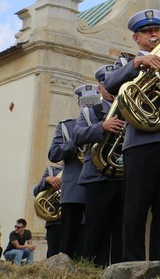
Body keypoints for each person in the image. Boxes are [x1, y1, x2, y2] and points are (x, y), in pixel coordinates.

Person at [104, 9, 160, 266]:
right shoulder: (127, 63)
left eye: (156, 30)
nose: (154, 35)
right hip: (141, 142)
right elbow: (110, 85)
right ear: (136, 38)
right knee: (135, 208)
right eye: (147, 32)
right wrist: (138, 64)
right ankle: (131, 263)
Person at [73, 64, 125, 267]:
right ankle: (92, 270)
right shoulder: (90, 111)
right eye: (107, 85)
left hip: (124, 175)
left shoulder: (128, 106)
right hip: (97, 177)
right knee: (95, 229)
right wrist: (101, 126)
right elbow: (77, 135)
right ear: (100, 88)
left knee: (122, 229)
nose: (112, 89)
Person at [48, 87, 91, 259]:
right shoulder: (66, 126)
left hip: (99, 184)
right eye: (86, 103)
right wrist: (75, 141)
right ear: (79, 103)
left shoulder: (108, 121)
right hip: (73, 188)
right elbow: (53, 154)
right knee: (67, 242)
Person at [32, 165, 62, 258]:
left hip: (79, 220)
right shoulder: (52, 170)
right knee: (53, 255)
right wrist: (47, 180)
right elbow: (36, 192)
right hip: (56, 221)